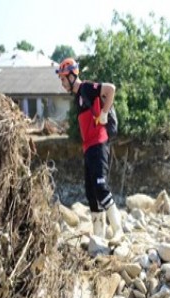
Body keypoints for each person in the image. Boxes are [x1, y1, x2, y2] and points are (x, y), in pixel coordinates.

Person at [56, 58, 123, 241]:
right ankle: (99, 236)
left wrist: (103, 114)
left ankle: (118, 230)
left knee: (101, 188)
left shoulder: (85, 88)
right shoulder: (78, 98)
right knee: (91, 193)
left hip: (99, 144)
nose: (62, 84)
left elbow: (111, 89)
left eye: (63, 79)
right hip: (89, 148)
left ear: (71, 76)